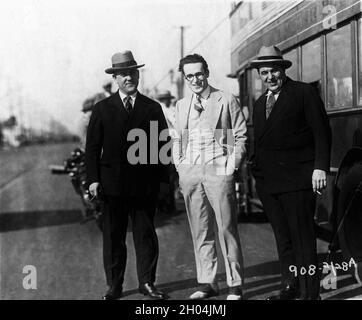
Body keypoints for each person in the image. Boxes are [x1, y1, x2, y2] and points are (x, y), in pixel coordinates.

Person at [85, 50, 169, 300]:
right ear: (116, 79)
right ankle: (114, 285)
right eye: (122, 74)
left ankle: (147, 283)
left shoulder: (152, 107)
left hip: (144, 185)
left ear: (137, 74)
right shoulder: (102, 109)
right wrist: (93, 179)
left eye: (132, 72)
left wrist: (163, 183)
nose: (128, 78)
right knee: (113, 237)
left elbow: (160, 146)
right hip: (111, 186)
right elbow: (92, 148)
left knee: (145, 235)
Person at [250, 45, 331, 300]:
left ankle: (310, 294)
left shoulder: (303, 93)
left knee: (303, 238)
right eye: (264, 73)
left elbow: (322, 133)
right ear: (259, 75)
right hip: (270, 183)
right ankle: (290, 286)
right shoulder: (259, 102)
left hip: (298, 180)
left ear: (282, 69)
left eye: (274, 70)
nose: (270, 77)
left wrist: (320, 167)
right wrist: (256, 171)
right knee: (282, 238)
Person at [172, 53, 247, 300]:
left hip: (218, 168)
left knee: (226, 227)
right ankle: (208, 282)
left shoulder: (225, 99)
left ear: (207, 72)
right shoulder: (182, 105)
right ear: (185, 78)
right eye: (190, 75)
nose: (195, 79)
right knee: (200, 229)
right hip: (191, 173)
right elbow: (177, 140)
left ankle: (234, 284)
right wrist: (181, 167)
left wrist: (230, 166)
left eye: (199, 73)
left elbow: (240, 135)